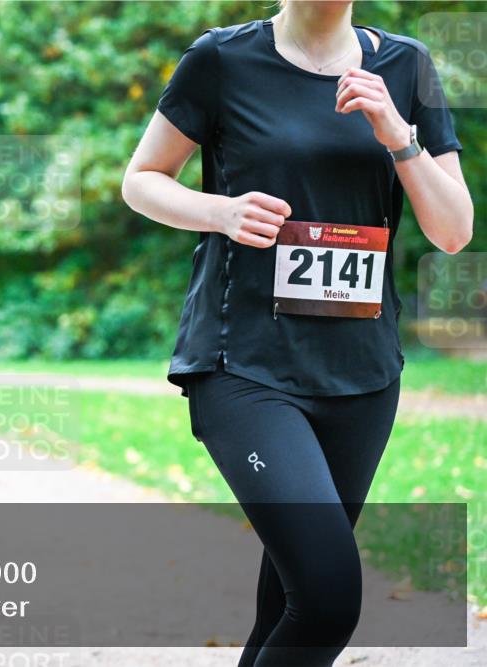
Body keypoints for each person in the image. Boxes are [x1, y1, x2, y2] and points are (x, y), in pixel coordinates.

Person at [121, 1, 472, 665]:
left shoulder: (407, 66)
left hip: (363, 374)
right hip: (243, 365)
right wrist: (219, 211)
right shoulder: (221, 59)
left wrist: (399, 133)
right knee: (328, 595)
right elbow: (141, 181)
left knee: (289, 603)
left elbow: (453, 232)